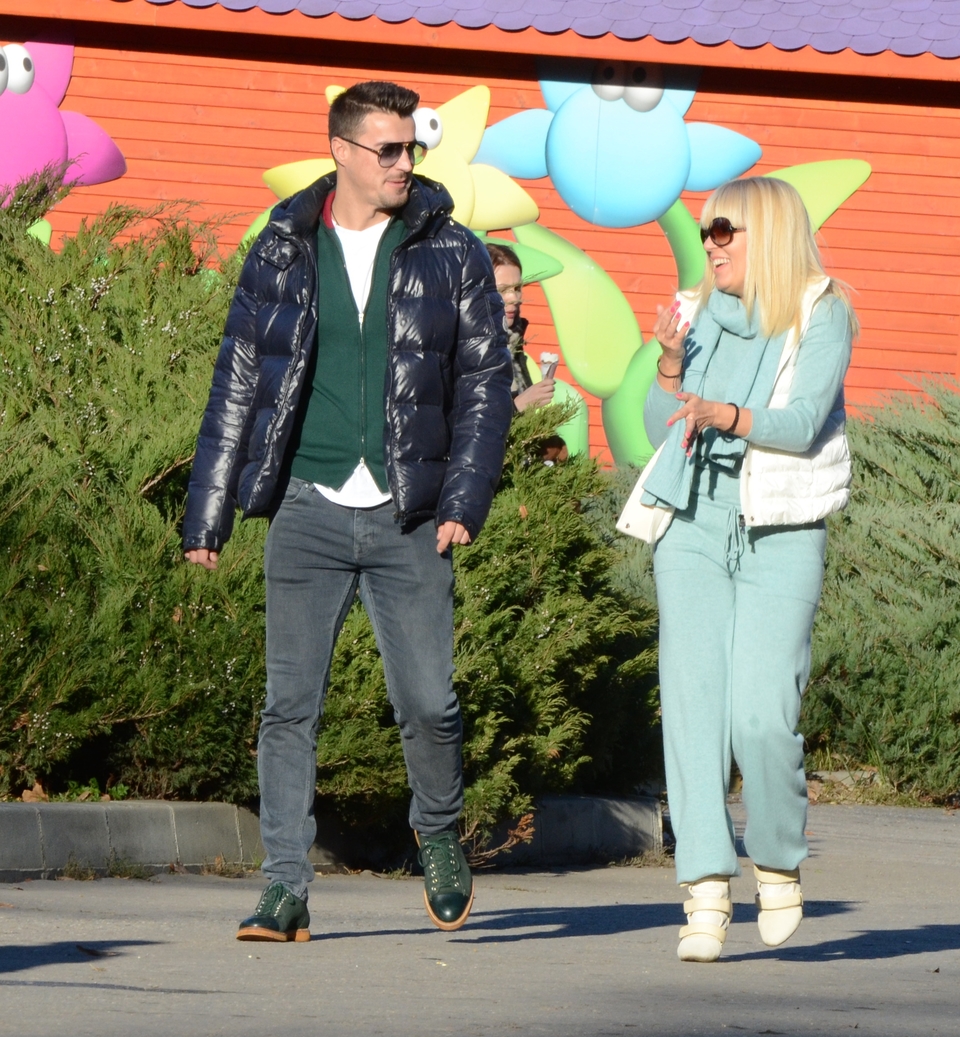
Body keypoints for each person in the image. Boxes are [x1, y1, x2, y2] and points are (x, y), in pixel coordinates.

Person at [182, 81, 513, 942]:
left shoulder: (452, 251)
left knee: (430, 703)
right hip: (308, 506)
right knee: (288, 708)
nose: (405, 163)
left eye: (411, 149)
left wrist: (464, 496)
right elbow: (239, 378)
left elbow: (486, 383)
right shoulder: (283, 246)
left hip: (411, 514)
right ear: (342, 151)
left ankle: (437, 832)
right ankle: (284, 888)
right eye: (388, 149)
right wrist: (208, 514)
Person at [642, 176, 856, 963]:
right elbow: (660, 424)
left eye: (725, 230)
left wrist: (724, 413)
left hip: (781, 529)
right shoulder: (697, 313)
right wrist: (671, 368)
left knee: (762, 715)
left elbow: (801, 423)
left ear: (767, 232)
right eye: (707, 232)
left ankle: (776, 859)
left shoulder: (821, 311)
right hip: (692, 524)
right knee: (692, 708)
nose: (711, 245)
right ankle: (703, 888)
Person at [485, 243, 555, 414]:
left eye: (517, 288)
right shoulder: (465, 348)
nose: (514, 298)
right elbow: (463, 419)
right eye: (502, 290)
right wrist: (517, 406)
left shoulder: (512, 341)